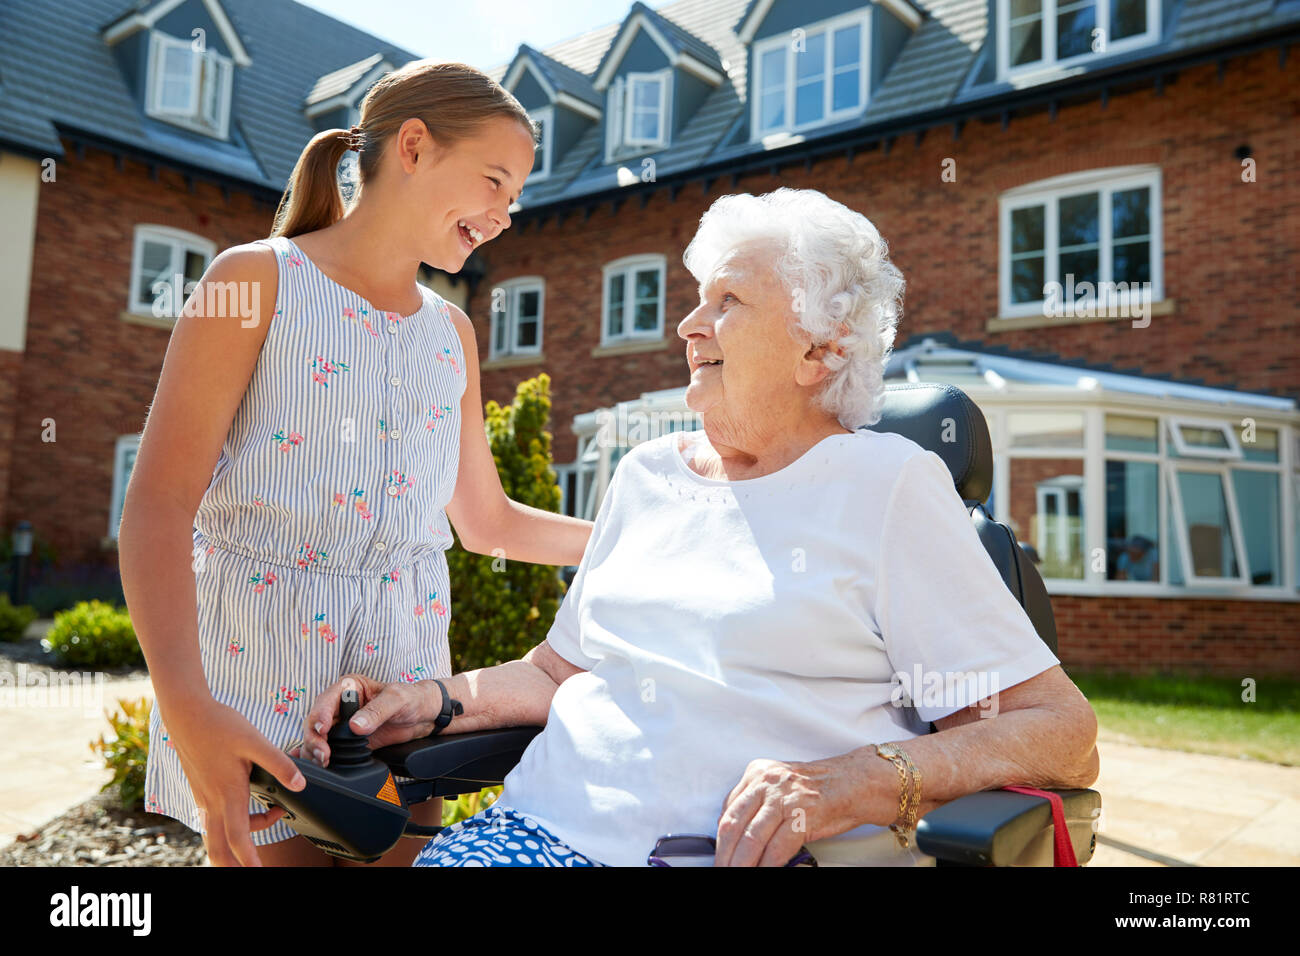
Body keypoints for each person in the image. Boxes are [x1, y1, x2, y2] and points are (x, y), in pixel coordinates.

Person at [304, 188, 1101, 867]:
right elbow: (560, 674)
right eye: (697, 301)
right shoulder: (647, 475)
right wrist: (429, 702)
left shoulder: (883, 486)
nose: (689, 326)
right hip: (534, 833)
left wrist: (859, 779)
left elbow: (1058, 731)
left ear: (821, 350)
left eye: (728, 303)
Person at [117, 60, 593, 867]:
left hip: (404, 695)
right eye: (494, 181)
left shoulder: (453, 335)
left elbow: (487, 522)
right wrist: (189, 708)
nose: (505, 215)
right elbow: (157, 507)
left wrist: (641, 533)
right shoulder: (255, 281)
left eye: (515, 197)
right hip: (255, 678)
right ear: (413, 146)